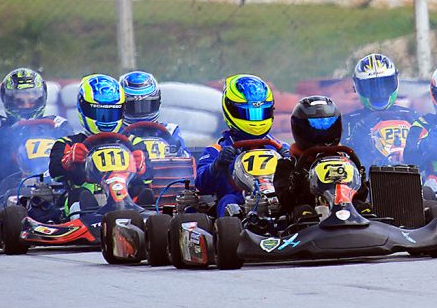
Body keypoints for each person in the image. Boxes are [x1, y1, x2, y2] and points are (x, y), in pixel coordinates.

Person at [48, 74, 147, 219]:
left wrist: (142, 167)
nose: (106, 120)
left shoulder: (134, 142)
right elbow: (55, 172)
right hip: (87, 206)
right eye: (99, 113)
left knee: (143, 190)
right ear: (84, 109)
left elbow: (150, 176)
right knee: (80, 194)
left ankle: (146, 219)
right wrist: (68, 161)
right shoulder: (68, 143)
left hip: (128, 202)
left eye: (112, 113)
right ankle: (83, 223)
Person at [195, 74, 289, 217]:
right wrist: (217, 165)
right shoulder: (217, 150)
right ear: (230, 110)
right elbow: (202, 185)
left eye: (260, 113)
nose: (255, 121)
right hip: (239, 206)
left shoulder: (279, 148)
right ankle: (236, 233)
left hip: (278, 199)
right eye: (248, 113)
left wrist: (291, 160)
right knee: (228, 201)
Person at [0, 68, 72, 188]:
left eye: (32, 101)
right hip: (9, 187)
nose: (27, 106)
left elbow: (72, 145)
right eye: (19, 101)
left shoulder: (57, 124)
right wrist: (7, 135)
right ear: (7, 99)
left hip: (53, 185)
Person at [276, 96, 369, 216]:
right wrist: (296, 182)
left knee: (363, 208)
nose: (322, 132)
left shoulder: (346, 159)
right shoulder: (289, 164)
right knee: (303, 212)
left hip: (347, 215)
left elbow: (360, 195)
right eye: (315, 126)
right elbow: (286, 202)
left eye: (327, 125)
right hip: (309, 222)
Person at [119, 70, 192, 206]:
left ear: (157, 102)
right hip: (129, 187)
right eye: (133, 106)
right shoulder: (119, 134)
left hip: (166, 184)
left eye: (146, 104)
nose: (140, 111)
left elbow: (185, 160)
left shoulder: (170, 131)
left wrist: (175, 149)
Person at [342, 53, 417, 168]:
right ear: (356, 86)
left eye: (385, 84)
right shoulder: (348, 121)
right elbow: (344, 158)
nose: (379, 92)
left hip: (413, 176)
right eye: (371, 87)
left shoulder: (411, 116)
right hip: (367, 180)